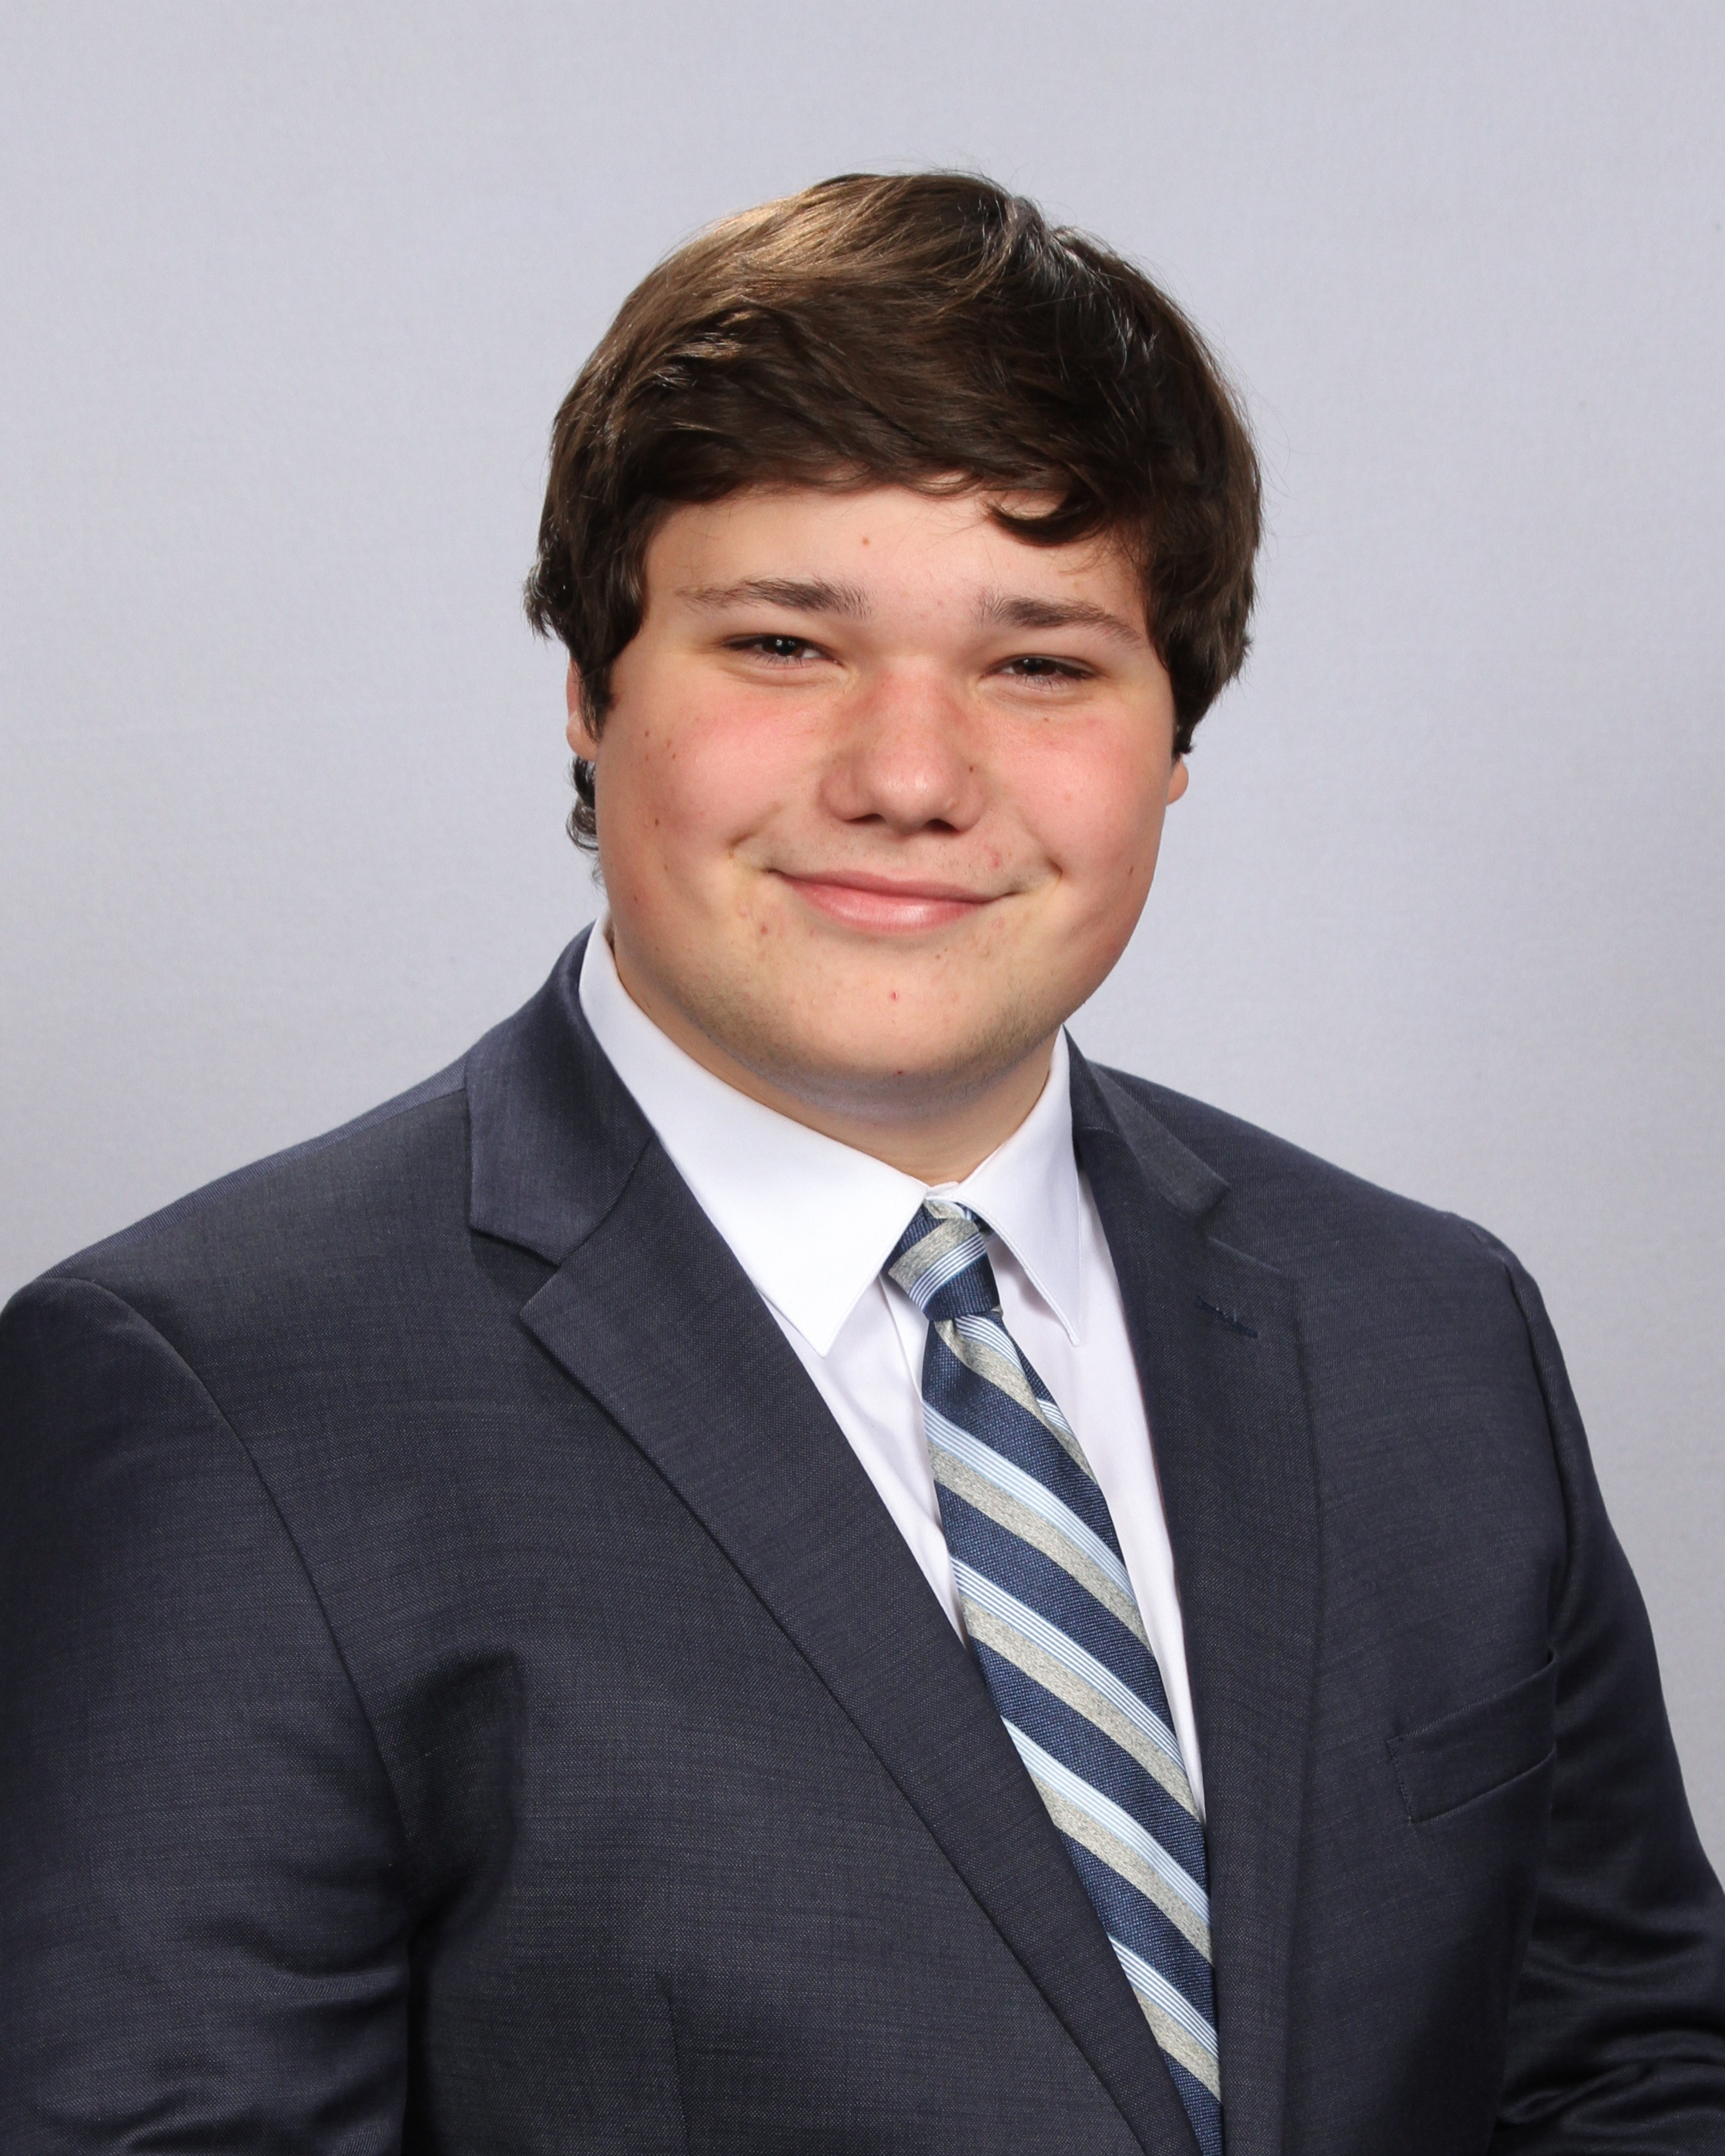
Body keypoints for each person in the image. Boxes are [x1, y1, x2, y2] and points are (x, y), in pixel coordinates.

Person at [2, 171, 1721, 2156]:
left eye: (1041, 664)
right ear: (590, 696)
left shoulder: (1431, 1330)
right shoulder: (213, 1396)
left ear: (1176, 738)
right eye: (785, 645)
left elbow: (1626, 2074)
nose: (910, 778)